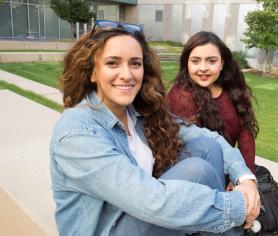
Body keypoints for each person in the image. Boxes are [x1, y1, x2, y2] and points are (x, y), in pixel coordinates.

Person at [50, 20, 260, 236]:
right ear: (92, 72)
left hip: (141, 216)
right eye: (113, 63)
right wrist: (239, 206)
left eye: (135, 63)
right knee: (199, 170)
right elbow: (151, 200)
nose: (127, 74)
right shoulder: (76, 132)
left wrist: (246, 179)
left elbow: (207, 136)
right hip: (111, 228)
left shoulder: (136, 112)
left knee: (205, 146)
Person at [167, 31, 258, 173]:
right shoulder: (182, 96)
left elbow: (246, 134)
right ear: (187, 63)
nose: (203, 68)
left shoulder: (233, 89)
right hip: (197, 175)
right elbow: (197, 152)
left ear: (221, 63)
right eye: (195, 61)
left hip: (230, 169)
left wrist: (246, 174)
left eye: (211, 61)